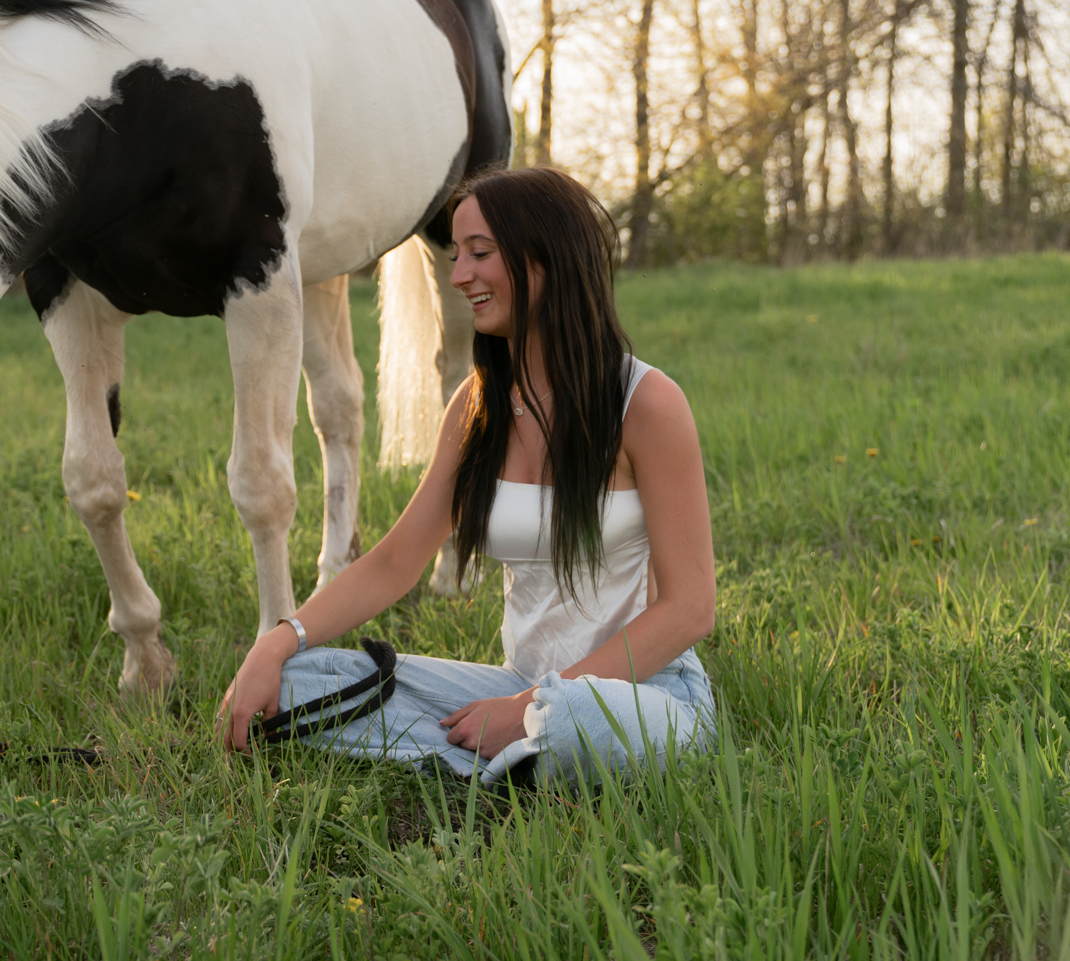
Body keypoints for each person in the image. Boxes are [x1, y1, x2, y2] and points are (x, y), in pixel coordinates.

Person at [218, 167, 717, 785]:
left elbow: (691, 609)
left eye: (480, 254)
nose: (458, 277)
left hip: (644, 695)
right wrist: (279, 640)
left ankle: (497, 752)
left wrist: (533, 708)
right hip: (516, 687)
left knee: (572, 718)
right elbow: (397, 560)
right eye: (456, 256)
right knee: (299, 681)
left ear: (545, 256)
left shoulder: (644, 403)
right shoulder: (477, 406)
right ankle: (502, 760)